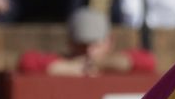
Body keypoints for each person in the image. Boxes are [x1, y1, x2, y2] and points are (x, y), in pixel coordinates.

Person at [16, 6, 155, 76]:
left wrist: (101, 63)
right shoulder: (64, 61)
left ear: (109, 41)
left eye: (95, 45)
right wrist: (69, 68)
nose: (89, 51)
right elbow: (26, 62)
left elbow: (148, 61)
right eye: (82, 45)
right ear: (70, 43)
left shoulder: (114, 61)